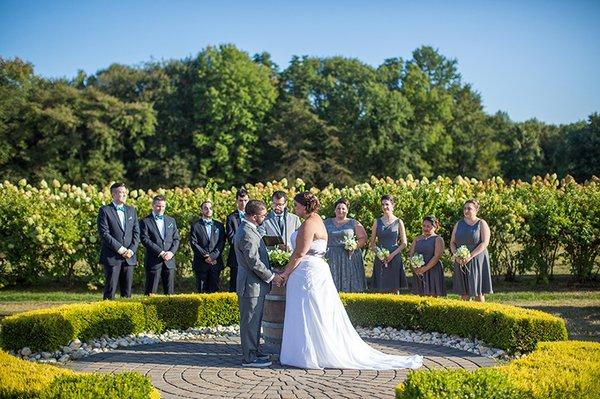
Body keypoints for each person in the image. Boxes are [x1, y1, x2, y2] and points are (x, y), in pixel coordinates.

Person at [278, 192, 423, 370]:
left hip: (307, 271)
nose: (295, 208)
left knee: (310, 310)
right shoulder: (318, 220)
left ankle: (309, 353)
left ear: (305, 205)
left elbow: (300, 253)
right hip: (315, 269)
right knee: (316, 311)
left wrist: (284, 274)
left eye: (296, 205)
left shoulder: (309, 223)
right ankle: (314, 349)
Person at [234, 200, 285, 367]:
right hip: (250, 285)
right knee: (249, 321)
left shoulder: (250, 229)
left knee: (255, 320)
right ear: (254, 216)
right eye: (263, 215)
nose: (265, 217)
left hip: (255, 284)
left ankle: (254, 350)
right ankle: (249, 357)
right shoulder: (247, 232)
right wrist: (272, 277)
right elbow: (253, 262)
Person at [97, 182, 140, 300]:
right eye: (121, 192)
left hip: (129, 258)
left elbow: (136, 233)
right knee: (110, 291)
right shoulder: (105, 210)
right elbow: (104, 234)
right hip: (112, 257)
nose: (124, 195)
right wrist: (121, 249)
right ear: (113, 195)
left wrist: (131, 250)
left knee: (127, 293)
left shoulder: (132, 210)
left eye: (125, 192)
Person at [450, 199, 493, 302]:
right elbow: (452, 242)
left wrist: (470, 256)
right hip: (461, 260)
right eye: (465, 208)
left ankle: (481, 316)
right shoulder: (458, 224)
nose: (466, 211)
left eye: (469, 208)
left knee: (478, 293)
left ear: (476, 210)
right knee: (464, 294)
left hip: (477, 259)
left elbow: (484, 243)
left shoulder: (481, 223)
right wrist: (457, 255)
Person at [139, 195, 181, 295]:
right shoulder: (145, 221)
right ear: (153, 206)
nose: (160, 209)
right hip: (154, 260)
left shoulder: (171, 221)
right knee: (151, 292)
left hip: (169, 260)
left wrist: (171, 252)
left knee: (170, 293)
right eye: (158, 206)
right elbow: (145, 239)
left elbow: (176, 239)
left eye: (163, 206)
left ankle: (170, 310)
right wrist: (161, 252)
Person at [324, 198, 367, 292]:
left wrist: (354, 246)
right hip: (330, 256)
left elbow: (363, 238)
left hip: (348, 255)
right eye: (338, 208)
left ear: (347, 210)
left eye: (343, 208)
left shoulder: (354, 223)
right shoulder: (326, 222)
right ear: (334, 210)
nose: (340, 210)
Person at [369, 195, 408, 293]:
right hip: (380, 257)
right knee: (381, 286)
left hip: (394, 257)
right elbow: (372, 243)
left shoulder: (399, 222)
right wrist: (380, 254)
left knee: (395, 287)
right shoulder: (377, 222)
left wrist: (392, 255)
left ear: (393, 205)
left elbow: (404, 243)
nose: (385, 207)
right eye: (383, 204)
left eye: (387, 204)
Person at [189, 201, 226, 293]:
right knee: (201, 290)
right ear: (201, 210)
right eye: (205, 208)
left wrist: (213, 256)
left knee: (214, 291)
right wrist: (206, 256)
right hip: (201, 263)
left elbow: (222, 242)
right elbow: (193, 243)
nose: (208, 210)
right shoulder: (195, 226)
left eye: (210, 208)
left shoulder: (219, 226)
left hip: (215, 263)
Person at [407, 216, 446, 297]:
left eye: (428, 226)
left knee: (433, 296)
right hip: (418, 271)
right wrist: (415, 268)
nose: (425, 228)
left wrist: (424, 268)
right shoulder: (417, 239)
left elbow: (437, 256)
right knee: (419, 296)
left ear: (435, 227)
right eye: (424, 226)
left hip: (433, 270)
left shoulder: (438, 239)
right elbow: (411, 254)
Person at [225, 188, 249, 292]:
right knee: (234, 287)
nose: (243, 203)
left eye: (245, 200)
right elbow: (231, 238)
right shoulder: (231, 218)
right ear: (236, 201)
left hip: (251, 256)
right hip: (236, 257)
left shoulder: (254, 216)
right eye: (240, 200)